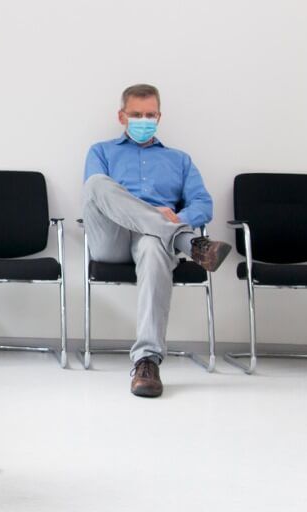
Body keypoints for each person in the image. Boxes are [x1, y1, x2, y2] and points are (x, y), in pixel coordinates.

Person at [83, 84, 231, 399]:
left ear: (159, 116)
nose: (143, 120)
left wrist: (177, 218)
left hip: (152, 242)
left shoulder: (179, 160)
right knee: (97, 183)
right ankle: (191, 245)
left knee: (152, 243)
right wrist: (160, 216)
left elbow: (203, 205)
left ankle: (147, 361)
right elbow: (96, 196)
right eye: (136, 114)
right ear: (122, 116)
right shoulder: (102, 151)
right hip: (111, 238)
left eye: (150, 115)